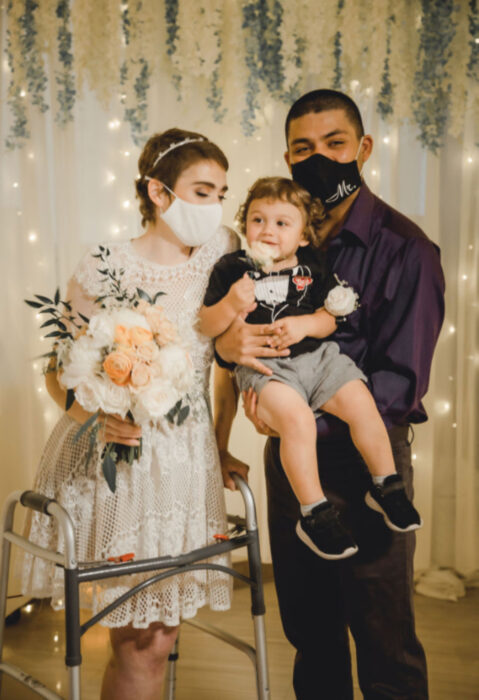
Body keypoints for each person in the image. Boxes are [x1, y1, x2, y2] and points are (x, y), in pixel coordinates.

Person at [216, 90, 445, 699]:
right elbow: (226, 336)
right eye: (303, 149)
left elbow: (399, 383)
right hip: (294, 466)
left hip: (366, 458)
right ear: (287, 160)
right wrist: (237, 352)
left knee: (384, 636)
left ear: (363, 148)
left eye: (334, 144)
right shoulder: (268, 251)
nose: (319, 159)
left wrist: (300, 412)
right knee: (310, 634)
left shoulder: (407, 249)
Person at [21, 128, 248, 700]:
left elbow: (223, 368)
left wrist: (220, 446)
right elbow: (58, 372)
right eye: (202, 189)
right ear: (159, 191)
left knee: (156, 639)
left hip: (186, 468)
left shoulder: (225, 252)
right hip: (122, 467)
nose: (215, 204)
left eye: (221, 190)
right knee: (139, 639)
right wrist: (94, 418)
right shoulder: (105, 265)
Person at [200, 175, 422, 561]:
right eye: (258, 220)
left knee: (360, 402)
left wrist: (305, 325)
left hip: (319, 360)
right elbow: (205, 327)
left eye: (282, 223)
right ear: (245, 223)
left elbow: (332, 317)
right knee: (298, 421)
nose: (268, 230)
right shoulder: (231, 268)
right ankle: (314, 511)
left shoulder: (314, 267)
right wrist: (231, 304)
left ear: (303, 236)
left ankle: (386, 484)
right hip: (267, 369)